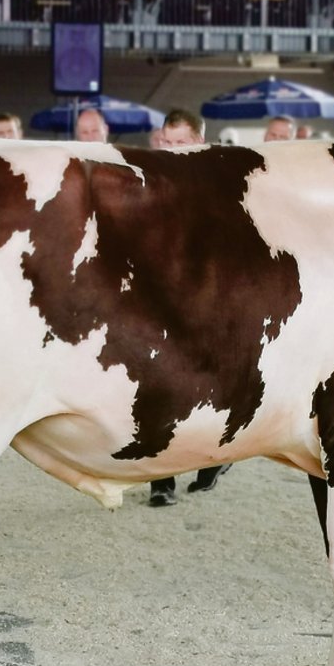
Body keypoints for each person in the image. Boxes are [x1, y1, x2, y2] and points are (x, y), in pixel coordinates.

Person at [146, 107, 231, 507]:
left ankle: (214, 461)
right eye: (169, 142)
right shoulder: (155, 179)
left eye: (182, 143)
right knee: (160, 383)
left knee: (211, 386)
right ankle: (160, 481)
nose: (174, 150)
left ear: (199, 140)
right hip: (165, 294)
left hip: (210, 297)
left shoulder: (221, 180)